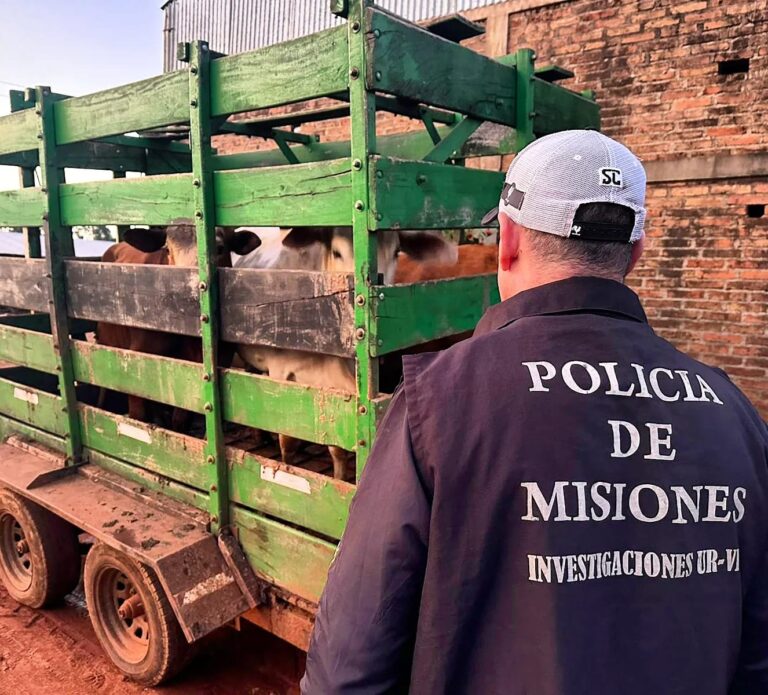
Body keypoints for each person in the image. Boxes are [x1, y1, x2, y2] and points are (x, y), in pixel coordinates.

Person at [300, 130, 768, 695]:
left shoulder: (441, 402)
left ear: (509, 239)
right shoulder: (736, 417)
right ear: (637, 252)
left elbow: (349, 666)